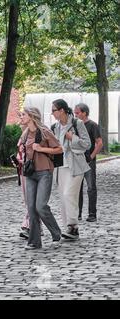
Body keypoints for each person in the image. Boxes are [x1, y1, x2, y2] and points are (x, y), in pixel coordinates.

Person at [19, 107, 63, 250]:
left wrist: (41, 149)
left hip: (44, 171)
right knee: (31, 208)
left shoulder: (44, 132)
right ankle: (34, 242)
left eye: (24, 115)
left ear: (31, 116)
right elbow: (23, 149)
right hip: (30, 173)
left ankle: (56, 233)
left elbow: (59, 149)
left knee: (41, 206)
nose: (22, 117)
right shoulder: (25, 133)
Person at [51, 99, 91, 241]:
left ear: (61, 110)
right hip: (60, 167)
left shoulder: (77, 123)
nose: (52, 113)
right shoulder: (55, 127)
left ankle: (73, 226)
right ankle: (69, 228)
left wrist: (72, 138)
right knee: (63, 198)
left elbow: (87, 144)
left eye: (54, 110)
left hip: (75, 166)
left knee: (69, 195)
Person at [74, 103, 103, 222]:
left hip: (88, 162)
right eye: (75, 113)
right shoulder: (75, 125)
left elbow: (99, 143)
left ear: (84, 113)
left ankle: (92, 214)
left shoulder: (92, 125)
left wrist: (91, 157)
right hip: (77, 161)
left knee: (91, 188)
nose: (75, 114)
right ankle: (78, 214)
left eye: (77, 112)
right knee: (77, 188)